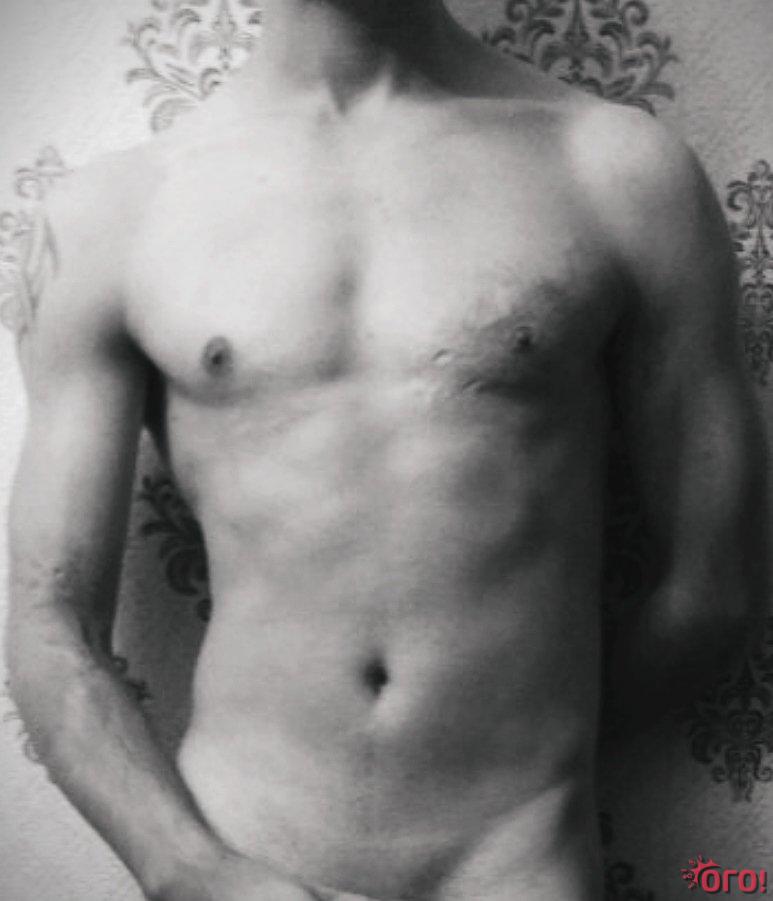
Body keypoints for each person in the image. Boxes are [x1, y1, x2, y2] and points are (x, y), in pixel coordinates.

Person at [5, 1, 768, 899]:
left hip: (518, 865)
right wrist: (189, 869)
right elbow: (51, 619)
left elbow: (709, 590)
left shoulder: (618, 169)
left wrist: (527, 763)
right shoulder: (112, 212)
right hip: (242, 857)